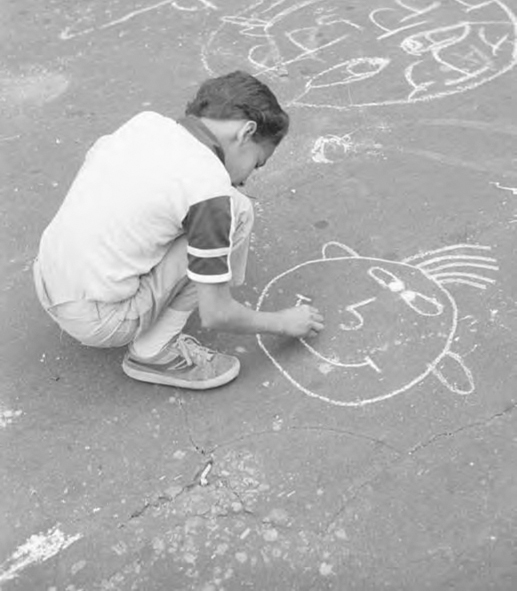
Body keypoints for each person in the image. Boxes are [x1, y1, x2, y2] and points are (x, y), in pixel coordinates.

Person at [33, 71, 324, 390]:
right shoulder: (209, 189)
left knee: (192, 211)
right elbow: (216, 315)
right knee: (238, 209)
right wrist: (283, 322)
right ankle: (154, 352)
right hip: (99, 321)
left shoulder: (145, 124)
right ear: (246, 132)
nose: (246, 179)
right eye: (257, 163)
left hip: (47, 278)